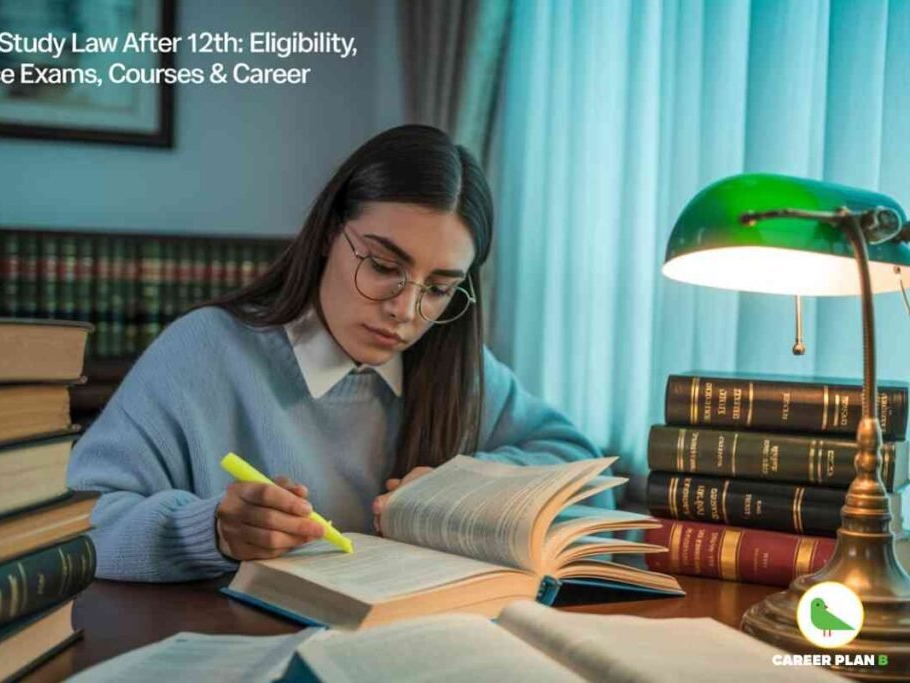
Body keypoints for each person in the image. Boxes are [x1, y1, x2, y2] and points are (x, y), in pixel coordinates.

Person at [67, 124, 612, 582]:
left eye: (440, 288)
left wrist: (474, 487)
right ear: (330, 232)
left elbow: (589, 481)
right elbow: (73, 525)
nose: (405, 310)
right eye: (381, 266)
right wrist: (210, 531)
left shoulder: (456, 371)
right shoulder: (205, 352)